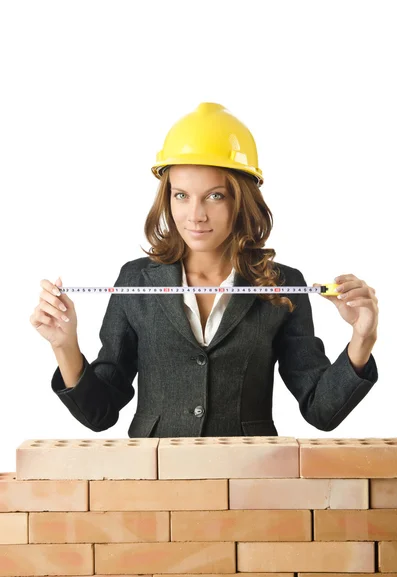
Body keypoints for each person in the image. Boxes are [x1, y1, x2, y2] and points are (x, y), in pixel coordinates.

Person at [30, 102, 379, 438]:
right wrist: (65, 346)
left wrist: (362, 337)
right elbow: (100, 413)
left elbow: (321, 410)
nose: (195, 215)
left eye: (215, 196)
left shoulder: (283, 286)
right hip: (154, 479)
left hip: (249, 479)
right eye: (181, 195)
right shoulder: (135, 282)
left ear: (242, 199)